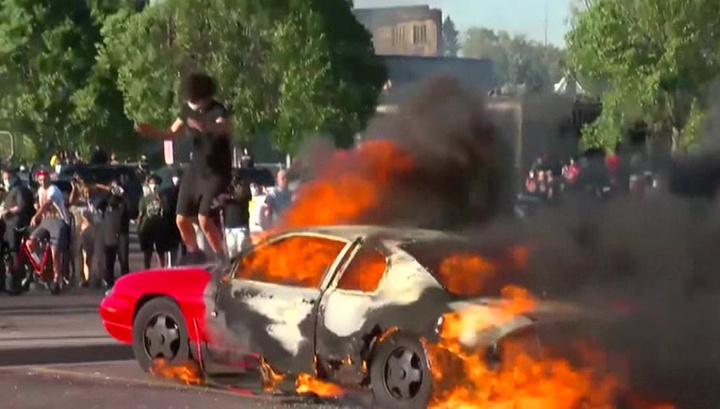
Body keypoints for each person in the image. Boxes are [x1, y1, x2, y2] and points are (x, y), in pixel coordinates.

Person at [136, 72, 232, 264]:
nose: (192, 106)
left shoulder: (217, 109)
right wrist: (152, 132)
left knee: (204, 218)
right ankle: (194, 252)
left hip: (217, 171)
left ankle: (223, 259)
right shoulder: (187, 110)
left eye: (195, 102)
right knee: (181, 219)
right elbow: (172, 133)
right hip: (195, 170)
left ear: (204, 98)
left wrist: (207, 127)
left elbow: (225, 127)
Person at [27, 170, 71, 294]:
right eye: (40, 180)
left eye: (44, 179)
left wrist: (36, 215)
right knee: (30, 243)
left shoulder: (53, 190)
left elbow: (48, 203)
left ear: (49, 179)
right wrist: (36, 207)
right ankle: (42, 265)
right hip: (46, 222)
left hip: (58, 221)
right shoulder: (40, 191)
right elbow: (38, 203)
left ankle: (58, 278)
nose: (42, 182)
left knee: (55, 251)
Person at [1, 168, 34, 293]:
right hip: (9, 225)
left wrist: (8, 211)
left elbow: (22, 206)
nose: (6, 180)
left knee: (14, 252)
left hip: (15, 225)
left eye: (6, 177)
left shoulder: (20, 189)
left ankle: (14, 283)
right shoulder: (11, 191)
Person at [98, 181, 130, 287]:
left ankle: (126, 283)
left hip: (122, 236)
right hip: (109, 236)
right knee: (109, 263)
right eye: (113, 187)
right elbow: (97, 204)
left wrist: (124, 194)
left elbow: (132, 210)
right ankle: (110, 284)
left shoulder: (123, 203)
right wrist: (108, 191)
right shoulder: (107, 203)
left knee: (124, 261)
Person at [137, 175, 171, 269]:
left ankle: (161, 270)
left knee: (161, 252)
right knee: (147, 253)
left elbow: (167, 211)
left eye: (155, 183)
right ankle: (146, 272)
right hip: (148, 228)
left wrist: (159, 198)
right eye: (151, 183)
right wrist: (139, 229)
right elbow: (140, 214)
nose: (154, 185)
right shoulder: (144, 199)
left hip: (160, 228)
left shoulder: (163, 197)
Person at [222, 176, 252, 258]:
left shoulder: (243, 183)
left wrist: (229, 196)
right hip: (229, 227)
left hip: (241, 226)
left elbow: (245, 195)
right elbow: (219, 198)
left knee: (243, 253)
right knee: (231, 253)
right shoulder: (224, 184)